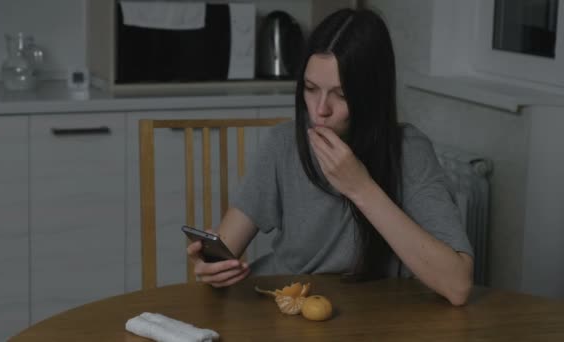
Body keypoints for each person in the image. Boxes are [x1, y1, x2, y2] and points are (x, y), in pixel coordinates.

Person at [187, 7, 474, 306]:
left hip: (376, 316)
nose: (320, 110)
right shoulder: (282, 144)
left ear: (371, 97)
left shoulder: (409, 151)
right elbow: (226, 249)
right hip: (286, 309)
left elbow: (458, 285)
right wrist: (210, 267)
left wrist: (361, 187)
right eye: (311, 89)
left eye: (342, 95)